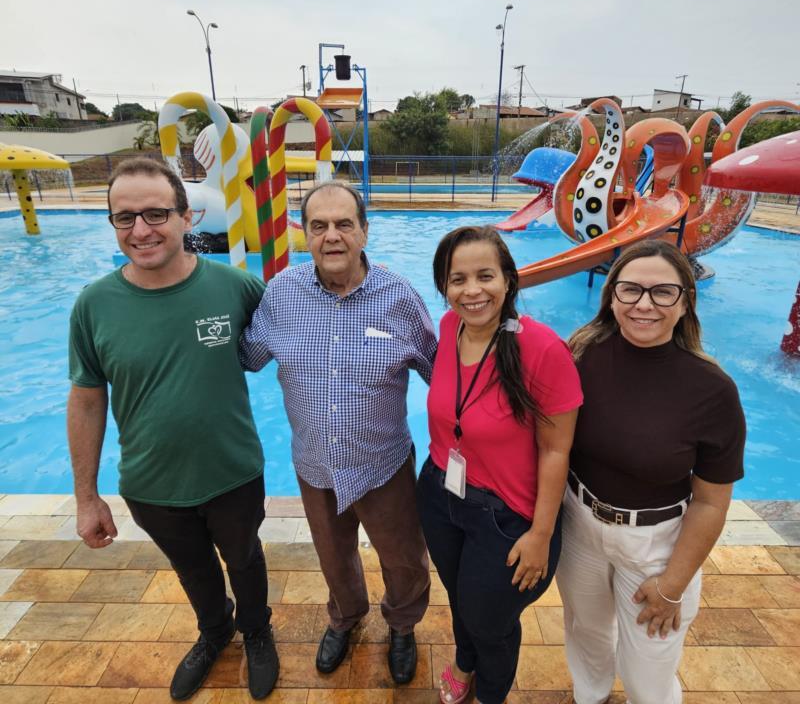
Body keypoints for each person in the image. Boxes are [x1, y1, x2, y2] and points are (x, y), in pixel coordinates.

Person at [67, 158, 279, 701]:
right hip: (151, 484)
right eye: (125, 218)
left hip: (232, 473)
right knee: (193, 571)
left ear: (188, 217)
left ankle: (256, 630)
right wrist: (86, 498)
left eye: (156, 213)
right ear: (113, 224)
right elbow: (88, 399)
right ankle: (216, 631)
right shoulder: (93, 306)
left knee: (245, 558)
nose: (141, 230)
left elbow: (305, 334)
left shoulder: (236, 288)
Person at [240, 181, 437, 684]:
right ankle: (345, 618)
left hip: (382, 462)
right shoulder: (283, 293)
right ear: (305, 235)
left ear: (364, 232)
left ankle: (402, 624)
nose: (332, 236)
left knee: (403, 558)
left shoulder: (397, 295)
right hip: (315, 463)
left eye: (344, 224)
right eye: (319, 225)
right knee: (333, 556)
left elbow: (441, 370)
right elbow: (247, 356)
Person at [559, 240, 746, 704]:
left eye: (662, 292)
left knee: (650, 669)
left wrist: (673, 584)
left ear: (685, 302)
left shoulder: (712, 390)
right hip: (579, 523)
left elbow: (710, 502)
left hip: (656, 544)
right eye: (630, 290)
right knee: (587, 636)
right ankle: (592, 697)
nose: (644, 304)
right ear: (612, 296)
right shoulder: (580, 355)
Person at [417, 225, 582, 704]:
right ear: (444, 287)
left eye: (485, 276)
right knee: (460, 596)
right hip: (441, 493)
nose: (471, 291)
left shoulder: (543, 350)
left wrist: (541, 535)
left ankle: (491, 693)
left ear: (508, 280)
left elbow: (556, 451)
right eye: (457, 280)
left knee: (490, 619)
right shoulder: (449, 328)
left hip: (507, 515)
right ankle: (465, 659)